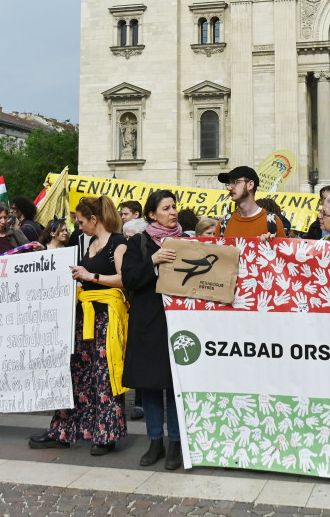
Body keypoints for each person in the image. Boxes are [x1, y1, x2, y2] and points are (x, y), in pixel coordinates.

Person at [30, 196, 128, 455]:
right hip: (85, 315)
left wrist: (90, 276)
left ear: (95, 220)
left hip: (106, 315)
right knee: (78, 371)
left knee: (105, 374)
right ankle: (65, 429)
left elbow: (123, 278)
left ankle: (106, 434)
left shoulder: (118, 242)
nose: (78, 227)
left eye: (81, 221)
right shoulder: (92, 242)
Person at [121, 190, 185, 470]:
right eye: (166, 208)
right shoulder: (140, 242)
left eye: (174, 207)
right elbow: (130, 278)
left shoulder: (187, 240)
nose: (173, 212)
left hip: (179, 322)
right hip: (148, 322)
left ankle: (176, 443)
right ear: (151, 214)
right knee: (150, 384)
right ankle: (154, 440)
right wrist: (154, 261)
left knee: (175, 384)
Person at [216, 166, 285, 240]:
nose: (229, 188)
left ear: (250, 185)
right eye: (229, 183)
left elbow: (286, 250)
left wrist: (271, 245)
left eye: (235, 182)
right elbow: (215, 251)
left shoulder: (273, 221)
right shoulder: (224, 222)